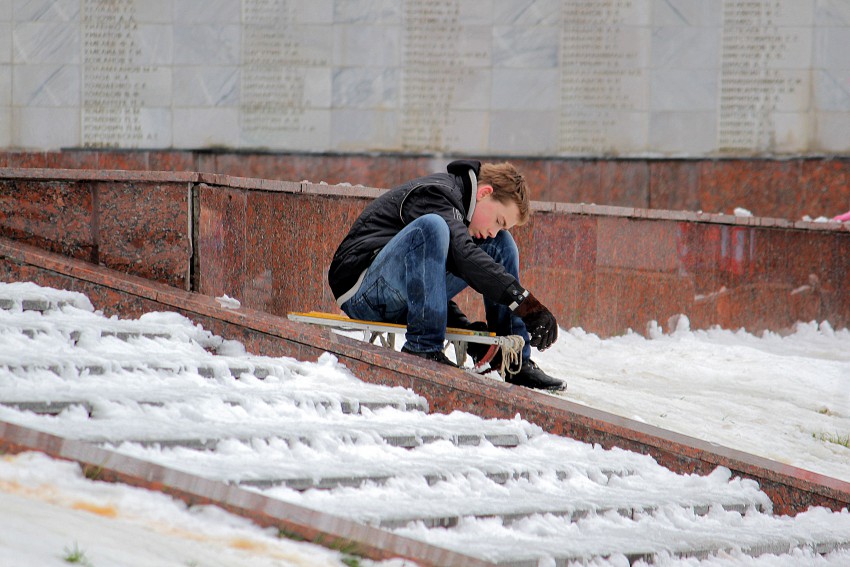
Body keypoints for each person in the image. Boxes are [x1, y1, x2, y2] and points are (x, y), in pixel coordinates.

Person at [327, 160, 565, 391]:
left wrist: (467, 327)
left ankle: (514, 363)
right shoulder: (438, 193)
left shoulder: (461, 210)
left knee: (501, 244)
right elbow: (463, 254)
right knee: (433, 226)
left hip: (400, 295)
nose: (493, 230)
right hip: (362, 290)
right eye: (498, 221)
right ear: (484, 193)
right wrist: (524, 302)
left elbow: (427, 277)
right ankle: (423, 348)